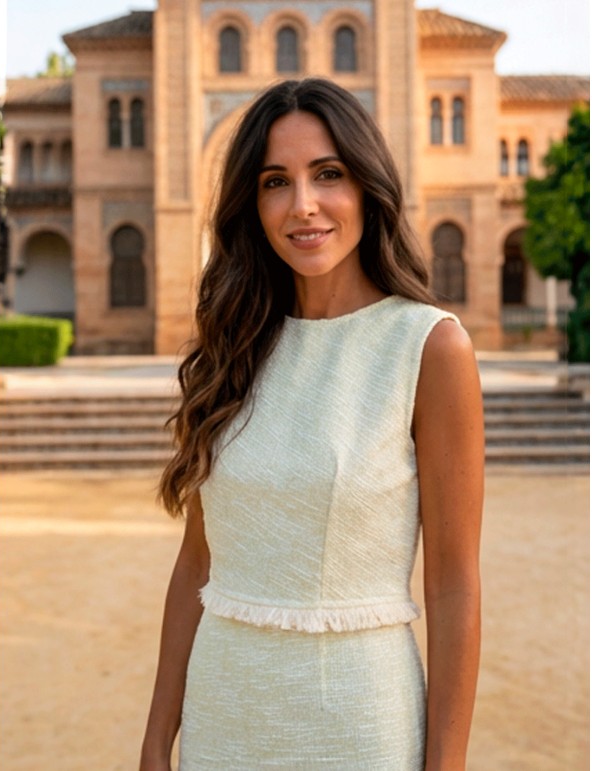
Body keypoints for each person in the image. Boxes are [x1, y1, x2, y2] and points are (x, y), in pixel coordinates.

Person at [140, 77, 483, 771]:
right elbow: (199, 563)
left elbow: (453, 584)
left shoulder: (428, 346)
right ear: (252, 201)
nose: (303, 206)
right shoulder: (233, 348)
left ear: (367, 186)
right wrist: (155, 744)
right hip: (224, 720)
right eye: (275, 181)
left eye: (328, 174)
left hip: (358, 724)